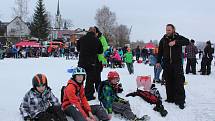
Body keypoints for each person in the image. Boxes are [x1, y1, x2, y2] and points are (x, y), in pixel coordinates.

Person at [156, 24, 189, 109]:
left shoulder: (178, 37)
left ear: (173, 30)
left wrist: (175, 42)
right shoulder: (163, 40)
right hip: (167, 64)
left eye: (169, 30)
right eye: (166, 30)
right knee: (168, 81)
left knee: (179, 82)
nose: (167, 31)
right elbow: (160, 52)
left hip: (177, 63)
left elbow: (187, 41)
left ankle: (180, 100)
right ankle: (170, 98)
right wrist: (158, 61)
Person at [77, 27, 103, 101]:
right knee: (90, 79)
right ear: (95, 32)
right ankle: (88, 95)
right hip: (91, 63)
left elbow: (78, 49)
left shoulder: (81, 39)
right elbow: (100, 51)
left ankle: (77, 92)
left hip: (82, 61)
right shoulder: (97, 40)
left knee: (79, 78)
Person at [94, 26, 108, 92]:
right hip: (92, 57)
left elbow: (106, 46)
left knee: (98, 74)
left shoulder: (102, 37)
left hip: (99, 58)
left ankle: (98, 87)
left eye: (95, 33)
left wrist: (101, 50)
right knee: (92, 74)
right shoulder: (92, 37)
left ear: (97, 32)